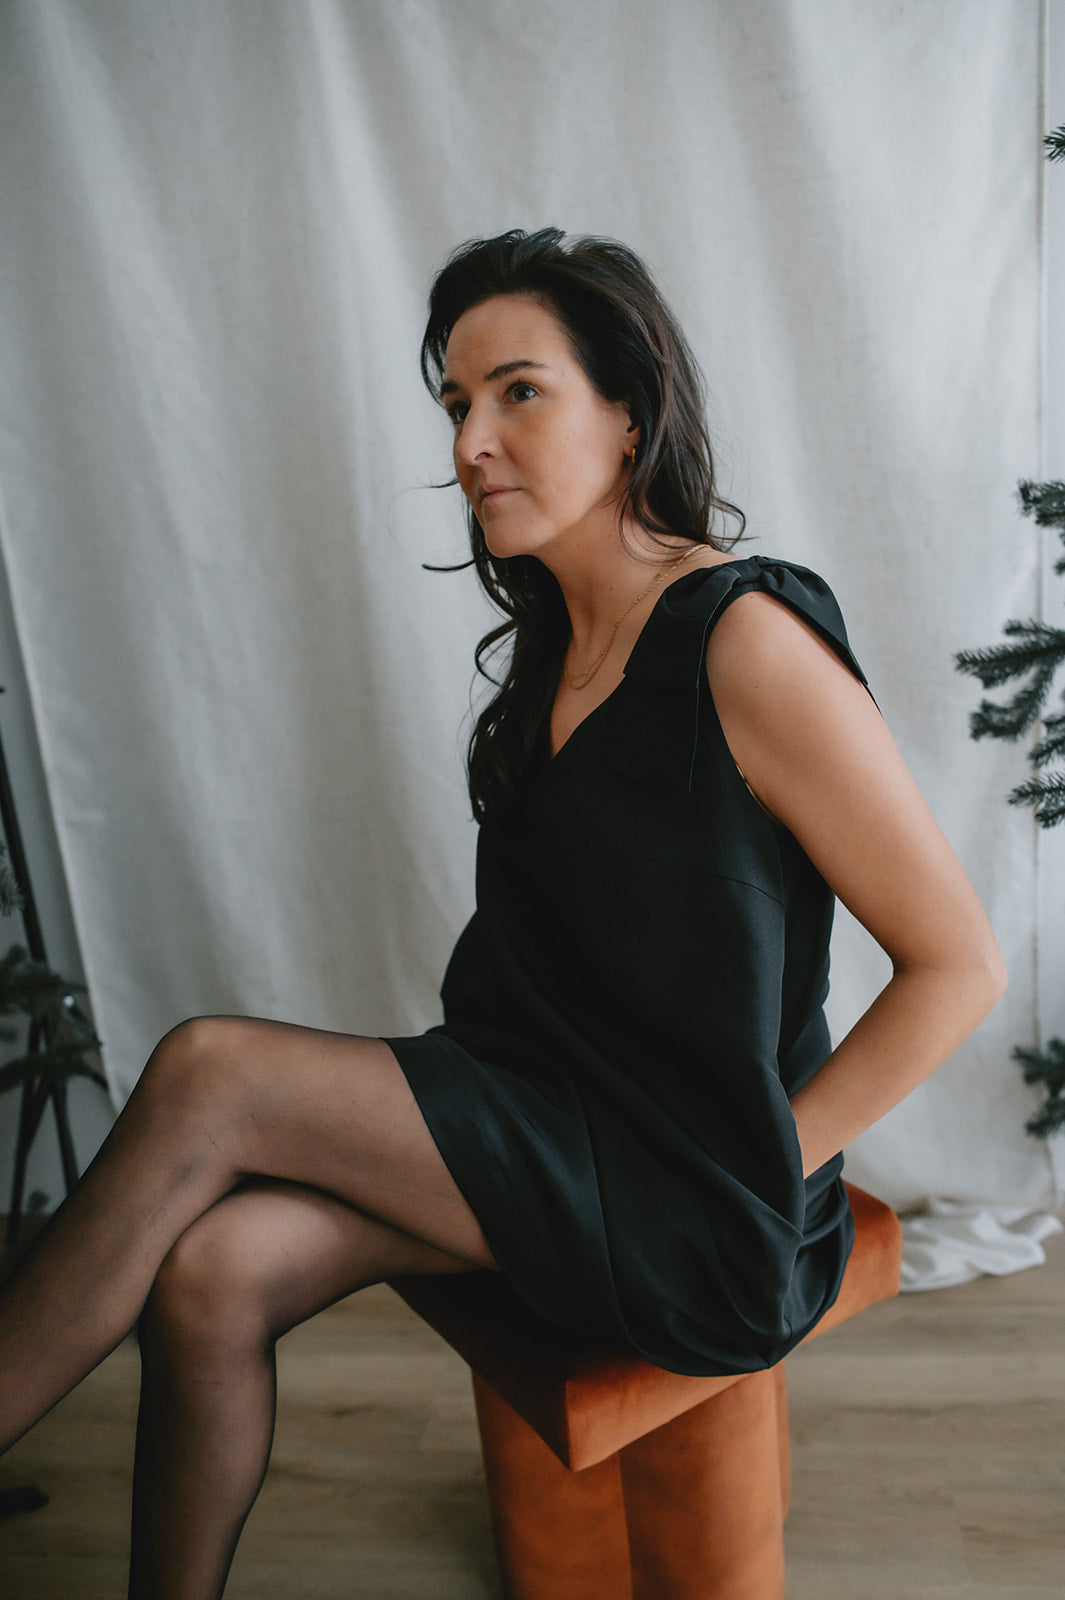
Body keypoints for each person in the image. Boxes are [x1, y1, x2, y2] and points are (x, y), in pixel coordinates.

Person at [0, 226, 1006, 1598]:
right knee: (216, 1271)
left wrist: (763, 1164)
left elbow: (958, 965)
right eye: (457, 404)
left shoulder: (743, 640)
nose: (472, 442)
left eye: (518, 391)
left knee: (211, 1071)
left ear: (629, 410)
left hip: (697, 1196)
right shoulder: (557, 649)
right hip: (554, 1123)